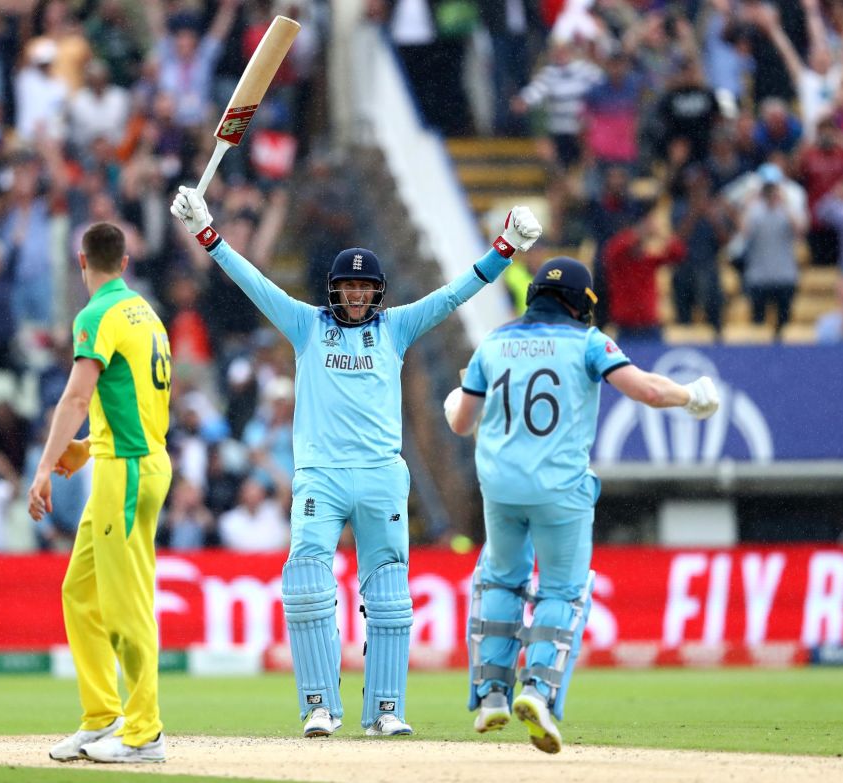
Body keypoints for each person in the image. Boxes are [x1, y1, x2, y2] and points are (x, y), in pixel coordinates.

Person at [171, 185, 543, 738]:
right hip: (320, 475)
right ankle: (320, 705)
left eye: (365, 289)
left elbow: (453, 293)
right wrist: (207, 234)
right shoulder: (306, 325)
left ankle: (386, 711)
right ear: (334, 290)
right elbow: (253, 282)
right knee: (304, 584)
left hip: (381, 477)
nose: (355, 297)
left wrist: (505, 247)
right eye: (348, 288)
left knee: (390, 598)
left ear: (378, 293)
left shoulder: (395, 327)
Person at [442, 256, 719, 753]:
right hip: (559, 491)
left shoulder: (493, 342)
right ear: (578, 303)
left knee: (500, 580)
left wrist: (452, 402)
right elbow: (649, 392)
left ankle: (491, 696)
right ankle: (538, 692)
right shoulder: (589, 342)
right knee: (563, 592)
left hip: (501, 489)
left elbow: (462, 422)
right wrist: (693, 396)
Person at [28, 222, 172, 764]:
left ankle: (144, 731)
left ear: (82, 262)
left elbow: (76, 394)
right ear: (126, 262)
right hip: (133, 461)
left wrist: (44, 466)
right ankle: (103, 716)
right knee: (80, 592)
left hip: (128, 474)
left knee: (125, 603)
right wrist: (90, 447)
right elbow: (138, 400)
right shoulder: (146, 313)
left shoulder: (95, 315)